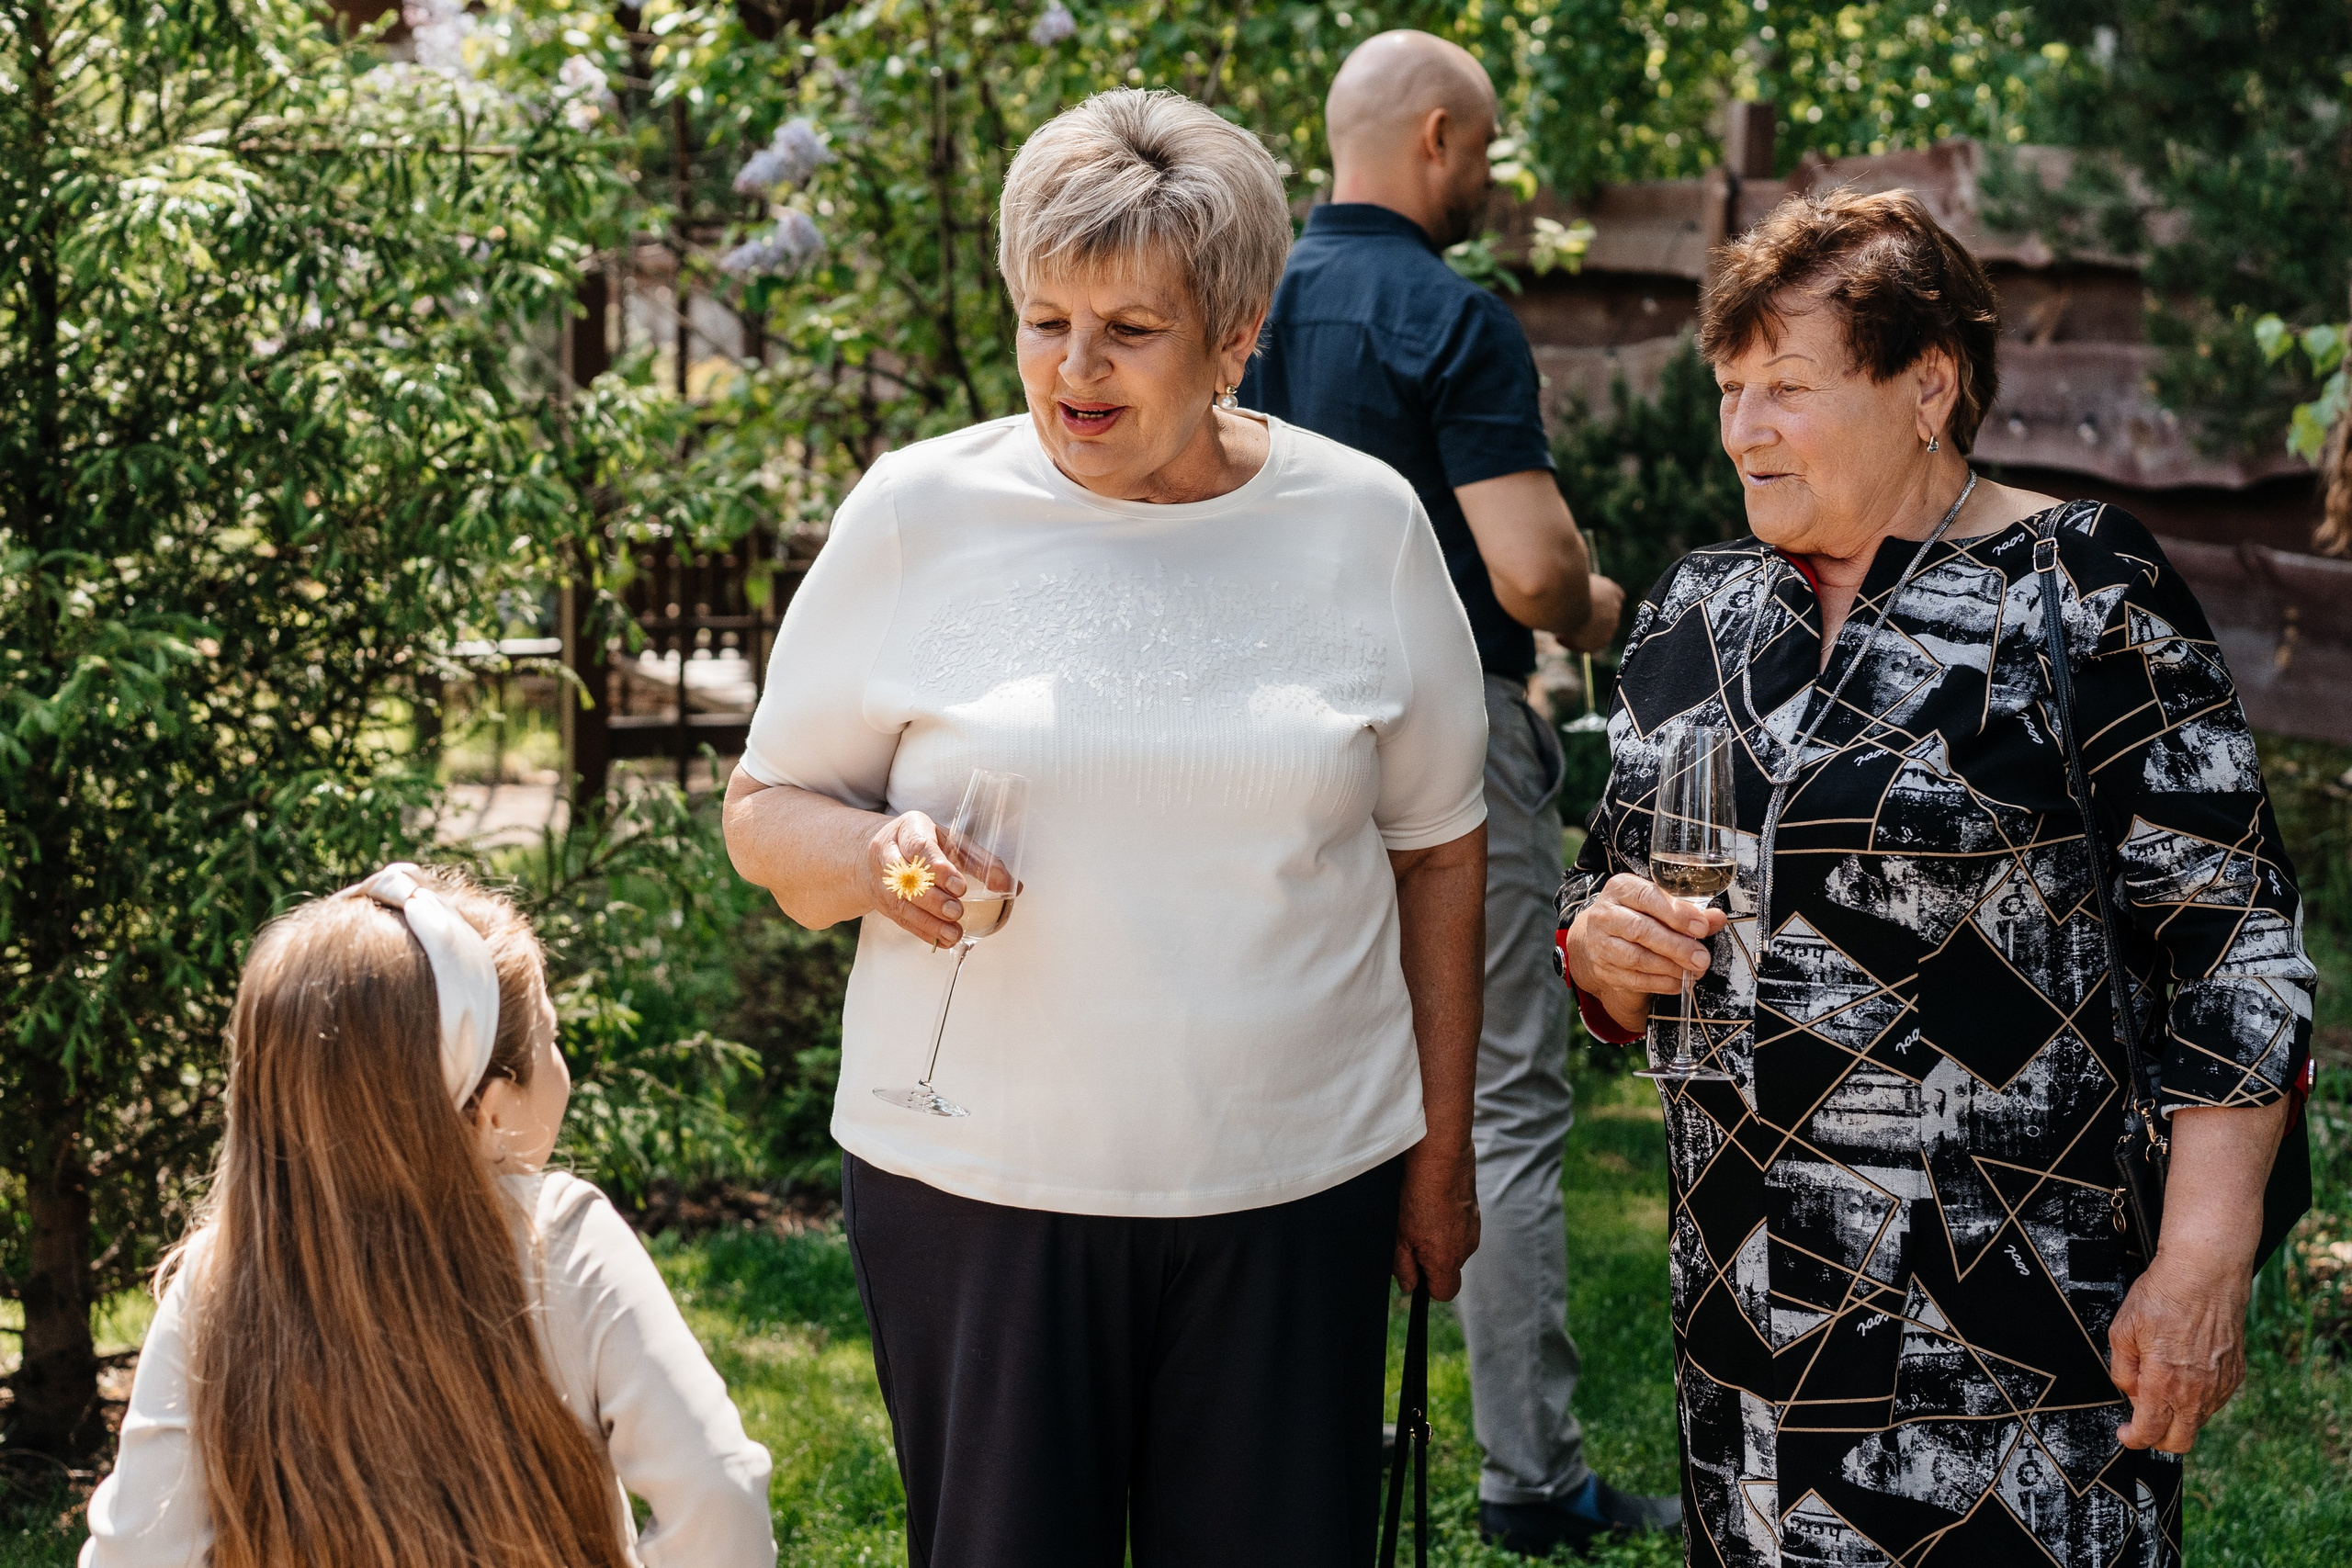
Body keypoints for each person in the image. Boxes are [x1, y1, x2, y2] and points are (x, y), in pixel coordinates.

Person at [721, 87, 1489, 1568]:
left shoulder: (1367, 524)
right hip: (979, 1194)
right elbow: (764, 812)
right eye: (1044, 318)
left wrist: (1437, 1151)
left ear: (1235, 333)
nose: (1073, 370)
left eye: (1128, 330)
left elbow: (1439, 846)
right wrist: (875, 859)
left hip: (1295, 1186)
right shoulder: (916, 511)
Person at [1558, 187, 2312, 1568]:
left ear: (1930, 388)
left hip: (2014, 1321)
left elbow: (2233, 949)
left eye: (1787, 387)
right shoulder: (1696, 612)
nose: (1743, 428)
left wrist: (2204, 1261)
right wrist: (1598, 951)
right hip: (1747, 1316)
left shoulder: (2085, 593)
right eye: (1730, 388)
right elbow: (1610, 887)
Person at [1241, 29, 1672, 1559]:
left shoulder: (1236, 306)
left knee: (1295, 1090)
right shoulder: (1450, 313)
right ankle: (1529, 1475)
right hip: (1441, 741)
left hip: (1253, 750)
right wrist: (1606, 607)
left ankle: (1297, 1450)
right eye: (1481, 152)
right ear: (1435, 138)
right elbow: (1534, 570)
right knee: (1495, 1094)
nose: (1487, 181)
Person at [81, 864, 775, 1568]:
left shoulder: (219, 1276)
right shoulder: (559, 1238)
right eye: (552, 1040)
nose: (563, 1065)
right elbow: (719, 1496)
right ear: (494, 1114)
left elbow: (135, 1551)